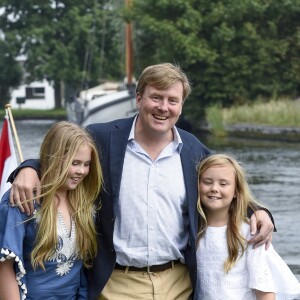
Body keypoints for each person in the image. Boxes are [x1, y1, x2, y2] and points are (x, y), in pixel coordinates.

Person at [8, 63, 275, 299]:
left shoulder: (193, 150)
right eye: (156, 97)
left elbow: (226, 185)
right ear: (139, 98)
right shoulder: (103, 138)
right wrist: (29, 168)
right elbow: (63, 156)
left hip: (178, 283)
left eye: (173, 100)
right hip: (116, 284)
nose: (163, 107)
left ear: (181, 106)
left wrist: (258, 211)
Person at [0, 121, 103, 299]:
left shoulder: (86, 202)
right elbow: (4, 267)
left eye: (86, 164)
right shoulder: (23, 199)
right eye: (75, 163)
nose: (82, 171)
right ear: (54, 158)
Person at [196, 153, 300, 300]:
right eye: (207, 182)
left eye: (223, 184)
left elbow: (264, 290)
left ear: (236, 192)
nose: (214, 188)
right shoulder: (194, 229)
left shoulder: (249, 233)